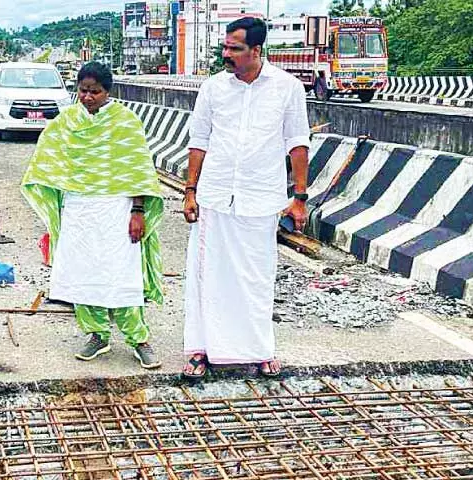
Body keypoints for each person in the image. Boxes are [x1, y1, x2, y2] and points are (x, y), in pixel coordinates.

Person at [182, 17, 310, 380]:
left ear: (257, 50)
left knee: (257, 276)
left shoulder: (287, 88)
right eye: (225, 47)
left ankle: (260, 349)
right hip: (216, 197)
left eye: (234, 49)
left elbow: (297, 142)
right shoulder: (213, 89)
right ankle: (199, 349)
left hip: (262, 197)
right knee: (207, 275)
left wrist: (299, 197)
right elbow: (199, 141)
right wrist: (190, 191)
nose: (226, 54)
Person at [21, 62, 164, 370]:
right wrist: (54, 198)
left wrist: (138, 211)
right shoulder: (67, 121)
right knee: (82, 272)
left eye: (94, 92)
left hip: (117, 207)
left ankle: (138, 339)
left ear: (108, 92)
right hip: (79, 208)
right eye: (82, 91)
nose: (87, 98)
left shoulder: (126, 123)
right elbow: (46, 159)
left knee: (122, 274)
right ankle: (96, 334)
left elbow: (138, 171)